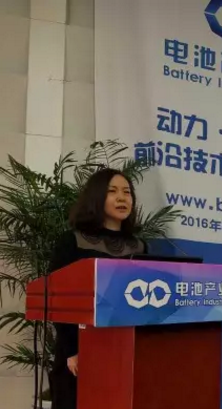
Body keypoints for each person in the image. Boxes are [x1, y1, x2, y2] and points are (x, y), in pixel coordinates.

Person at [48, 168, 147, 409]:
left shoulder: (140, 247)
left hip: (126, 351)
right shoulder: (73, 241)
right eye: (113, 191)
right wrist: (72, 350)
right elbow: (56, 298)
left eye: (127, 192)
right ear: (96, 197)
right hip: (80, 351)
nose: (122, 198)